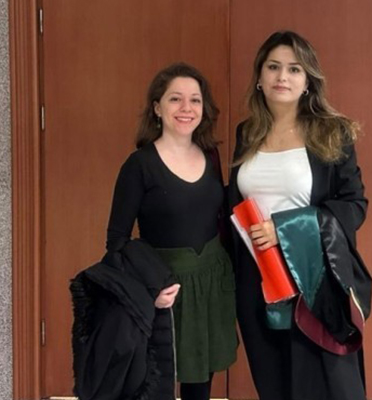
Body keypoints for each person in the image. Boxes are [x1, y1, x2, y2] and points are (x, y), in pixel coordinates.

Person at [227, 31, 371, 400]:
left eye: (294, 69)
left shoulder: (332, 133)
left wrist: (285, 229)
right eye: (273, 67)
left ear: (308, 80)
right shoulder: (247, 133)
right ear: (259, 77)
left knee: (327, 386)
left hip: (314, 278)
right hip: (257, 278)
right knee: (273, 382)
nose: (282, 77)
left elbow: (355, 205)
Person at [106, 62, 237, 400]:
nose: (186, 108)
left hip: (210, 283)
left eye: (195, 100)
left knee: (200, 383)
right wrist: (148, 289)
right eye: (175, 99)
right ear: (157, 108)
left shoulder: (210, 155)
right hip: (164, 288)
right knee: (154, 383)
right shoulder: (139, 165)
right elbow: (117, 241)